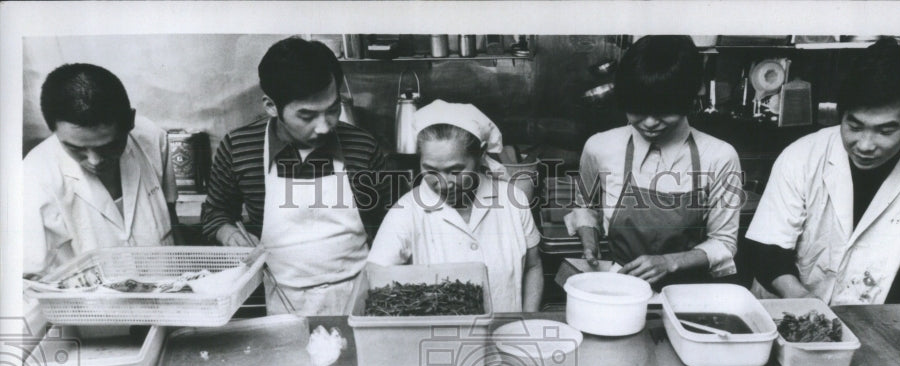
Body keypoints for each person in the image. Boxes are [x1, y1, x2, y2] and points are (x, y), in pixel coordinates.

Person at [745, 38, 900, 305]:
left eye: (885, 131)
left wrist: (879, 326)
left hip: (879, 317)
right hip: (789, 305)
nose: (865, 145)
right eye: (855, 126)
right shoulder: (802, 155)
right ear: (841, 114)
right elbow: (767, 253)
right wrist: (807, 303)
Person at [202, 37, 392, 314]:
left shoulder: (361, 146)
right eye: (307, 115)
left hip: (359, 295)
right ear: (271, 106)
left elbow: (388, 222)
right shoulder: (239, 148)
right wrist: (228, 232)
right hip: (279, 297)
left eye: (333, 109)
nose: (325, 127)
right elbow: (214, 212)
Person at [566, 35, 742, 286]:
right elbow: (585, 205)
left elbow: (724, 243)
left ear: (690, 99)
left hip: (686, 292)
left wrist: (669, 262)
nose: (649, 123)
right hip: (619, 286)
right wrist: (589, 242)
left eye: (664, 110)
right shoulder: (600, 147)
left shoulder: (719, 156)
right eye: (637, 108)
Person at [367, 100, 543, 312]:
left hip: (507, 337)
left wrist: (527, 319)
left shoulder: (512, 200)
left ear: (480, 154)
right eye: (430, 169)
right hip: (437, 340)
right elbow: (375, 280)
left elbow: (533, 267)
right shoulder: (405, 212)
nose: (443, 182)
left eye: (455, 170)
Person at [23, 63, 178, 277]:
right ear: (54, 131)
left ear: (130, 121)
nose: (94, 161)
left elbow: (172, 220)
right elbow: (31, 277)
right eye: (76, 149)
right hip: (87, 308)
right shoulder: (34, 175)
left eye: (108, 146)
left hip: (168, 295)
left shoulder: (152, 138)